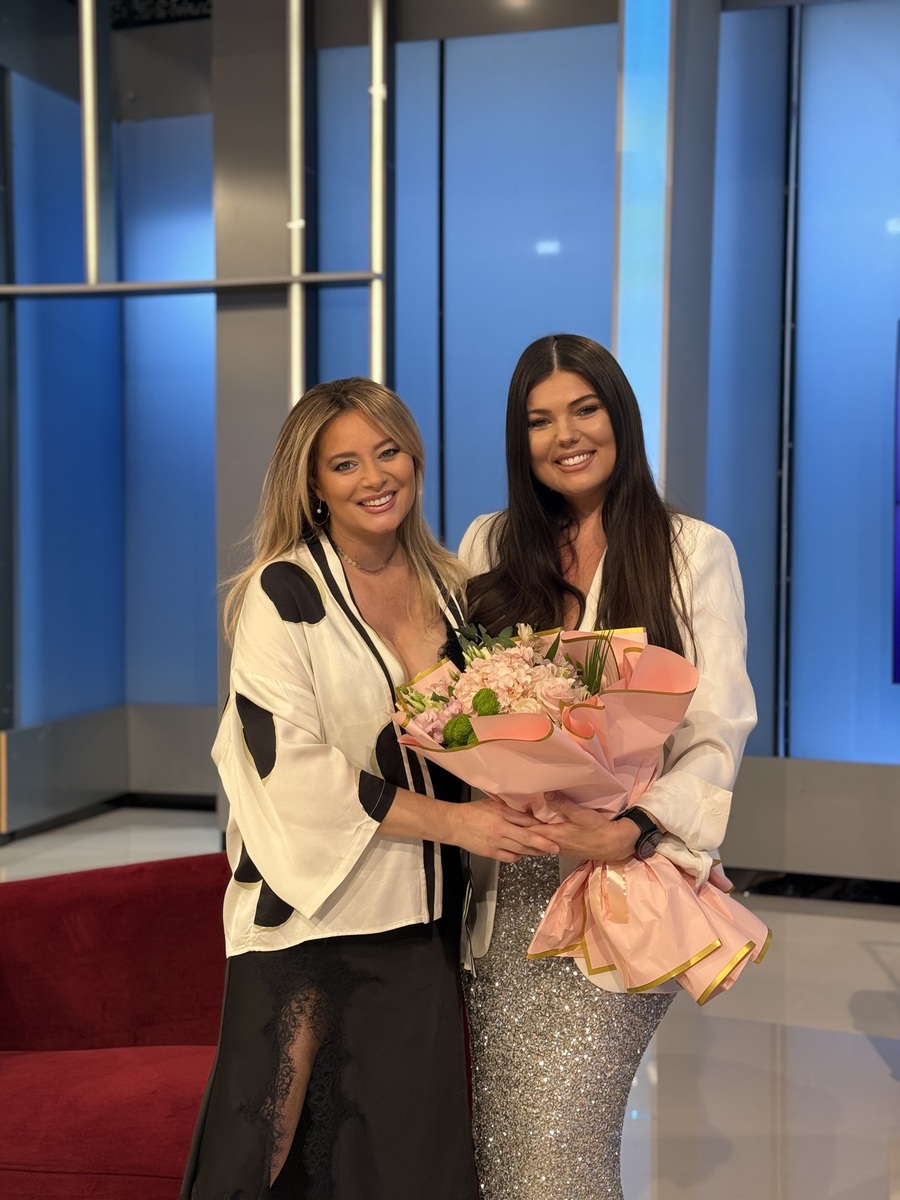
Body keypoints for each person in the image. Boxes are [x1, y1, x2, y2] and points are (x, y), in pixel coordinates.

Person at [181, 377, 559, 1200]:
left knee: (404, 1161)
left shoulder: (454, 588)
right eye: (345, 463)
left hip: (418, 919)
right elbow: (289, 766)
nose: (375, 476)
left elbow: (481, 736)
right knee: (258, 1153)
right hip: (305, 913)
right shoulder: (283, 594)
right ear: (314, 484)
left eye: (388, 452)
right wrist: (458, 826)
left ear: (414, 458)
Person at [459, 334, 757, 1200]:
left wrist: (631, 829)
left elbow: (718, 729)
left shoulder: (693, 550)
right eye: (539, 420)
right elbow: (459, 699)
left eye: (584, 409)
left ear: (620, 414)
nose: (565, 435)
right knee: (504, 1151)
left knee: (557, 1152)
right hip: (501, 882)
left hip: (619, 882)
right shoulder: (488, 540)